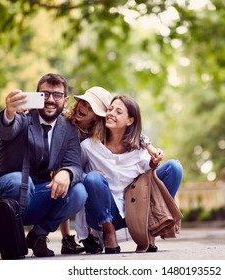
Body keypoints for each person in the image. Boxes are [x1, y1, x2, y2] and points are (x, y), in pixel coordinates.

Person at [0, 73, 87, 258]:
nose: (50, 100)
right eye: (45, 94)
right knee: (20, 181)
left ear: (65, 100)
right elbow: (3, 130)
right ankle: (9, 241)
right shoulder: (22, 117)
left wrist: (67, 172)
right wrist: (9, 112)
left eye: (56, 95)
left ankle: (38, 235)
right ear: (36, 95)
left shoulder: (68, 129)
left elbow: (76, 165)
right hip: (5, 196)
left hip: (34, 198)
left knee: (79, 191)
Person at [59, 86, 162, 254]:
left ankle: (95, 234)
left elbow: (132, 130)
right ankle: (67, 237)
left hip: (91, 178)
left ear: (98, 115)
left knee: (91, 180)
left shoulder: (99, 132)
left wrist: (149, 146)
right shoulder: (65, 121)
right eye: (82, 102)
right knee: (69, 180)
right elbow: (49, 114)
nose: (82, 107)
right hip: (65, 167)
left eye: (90, 107)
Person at [78, 95, 183, 253]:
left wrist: (155, 160)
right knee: (93, 178)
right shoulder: (88, 146)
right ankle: (109, 232)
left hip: (135, 208)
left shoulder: (138, 148)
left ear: (130, 121)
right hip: (104, 212)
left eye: (118, 111)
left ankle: (151, 227)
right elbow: (75, 172)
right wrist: (89, 177)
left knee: (174, 167)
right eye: (110, 109)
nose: (111, 113)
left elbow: (149, 168)